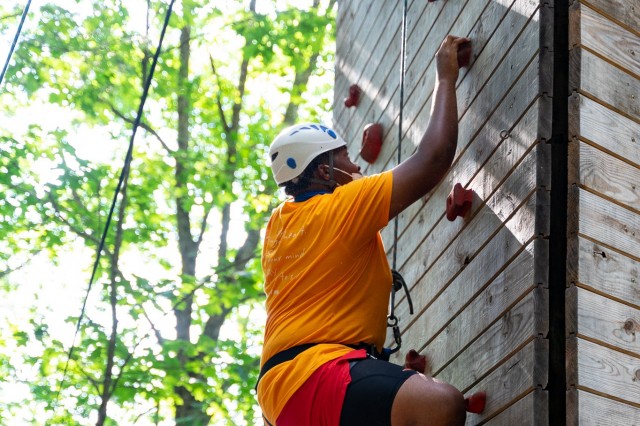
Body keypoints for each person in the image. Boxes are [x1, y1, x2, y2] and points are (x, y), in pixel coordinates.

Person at [257, 35, 471, 426]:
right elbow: (433, 158)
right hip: (319, 371)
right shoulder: (340, 204)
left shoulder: (277, 227)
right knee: (441, 404)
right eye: (347, 159)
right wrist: (445, 79)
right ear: (324, 173)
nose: (357, 168)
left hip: (281, 394)